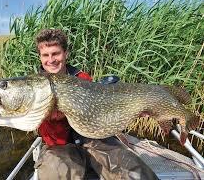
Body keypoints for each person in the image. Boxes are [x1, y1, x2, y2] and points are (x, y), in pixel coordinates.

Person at [34, 29, 158, 180]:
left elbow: (101, 112)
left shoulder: (82, 78)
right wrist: (54, 119)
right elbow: (44, 133)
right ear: (40, 57)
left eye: (56, 53)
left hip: (94, 141)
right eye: (45, 55)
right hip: (58, 146)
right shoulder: (35, 87)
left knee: (137, 174)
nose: (51, 60)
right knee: (56, 172)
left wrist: (134, 109)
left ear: (65, 54)